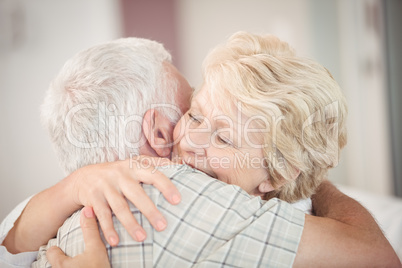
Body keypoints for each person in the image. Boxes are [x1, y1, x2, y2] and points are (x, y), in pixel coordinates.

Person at [2, 33, 401, 267]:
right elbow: (378, 256)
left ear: (277, 174)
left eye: (225, 137)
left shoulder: (61, 215)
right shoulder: (180, 195)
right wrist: (310, 180)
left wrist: (73, 185)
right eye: (192, 113)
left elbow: (8, 244)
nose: (189, 140)